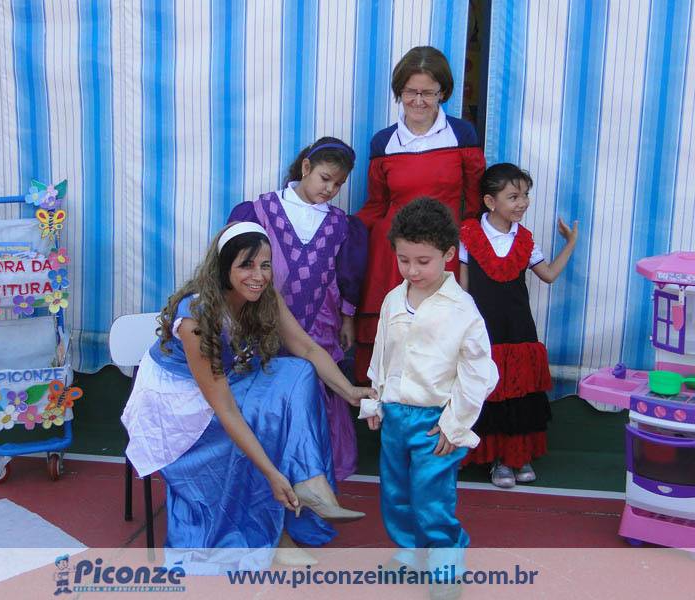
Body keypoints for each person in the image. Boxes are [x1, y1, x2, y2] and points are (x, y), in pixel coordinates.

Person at [121, 222, 370, 570]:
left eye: (265, 265)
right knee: (256, 420)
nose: (259, 275)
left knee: (299, 372)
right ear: (224, 267)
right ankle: (269, 536)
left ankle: (309, 480)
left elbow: (307, 348)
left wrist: (350, 391)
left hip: (225, 379)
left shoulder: (263, 295)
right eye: (246, 265)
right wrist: (272, 474)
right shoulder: (197, 318)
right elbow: (224, 408)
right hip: (176, 401)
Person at [361, 198, 498, 596]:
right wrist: (376, 399)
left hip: (436, 422)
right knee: (396, 491)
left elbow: (479, 373)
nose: (412, 270)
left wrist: (455, 424)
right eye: (404, 260)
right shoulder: (393, 299)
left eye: (423, 261)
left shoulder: (462, 310)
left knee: (431, 496)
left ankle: (445, 561)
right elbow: (382, 354)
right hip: (394, 415)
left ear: (448, 255)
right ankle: (410, 552)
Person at [227, 136, 367, 480]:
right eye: (325, 178)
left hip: (319, 323)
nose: (330, 189)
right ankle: (262, 470)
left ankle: (312, 475)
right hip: (262, 322)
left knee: (314, 385)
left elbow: (347, 274)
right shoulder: (259, 210)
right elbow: (233, 265)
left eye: (338, 184)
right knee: (265, 389)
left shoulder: (341, 225)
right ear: (306, 167)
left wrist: (347, 319)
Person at [354, 46, 486, 385]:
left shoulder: (462, 135)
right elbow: (376, 205)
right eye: (410, 91)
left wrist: (466, 255)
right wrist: (340, 230)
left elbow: (473, 205)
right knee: (394, 335)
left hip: (441, 250)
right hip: (392, 254)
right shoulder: (383, 142)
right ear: (399, 91)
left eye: (428, 92)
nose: (418, 100)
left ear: (443, 92)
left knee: (440, 338)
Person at [458, 163, 578, 488]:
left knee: (519, 395)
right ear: (489, 201)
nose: (522, 202)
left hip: (520, 330)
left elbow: (548, 275)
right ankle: (497, 459)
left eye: (525, 195)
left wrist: (570, 243)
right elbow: (463, 290)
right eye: (513, 196)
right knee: (491, 392)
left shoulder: (525, 240)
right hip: (484, 331)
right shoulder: (468, 235)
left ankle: (518, 456)